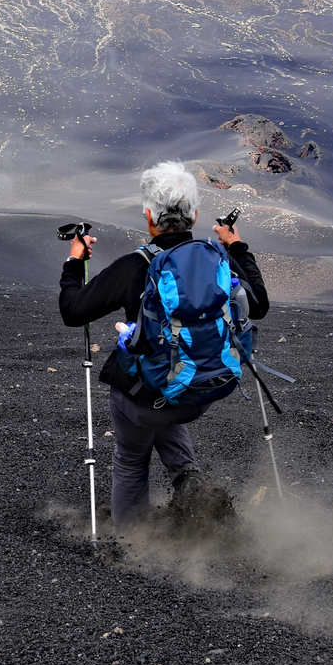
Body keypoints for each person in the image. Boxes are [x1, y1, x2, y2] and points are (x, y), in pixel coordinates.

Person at [57, 160, 269, 525]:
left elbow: (73, 311)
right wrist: (236, 246)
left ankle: (130, 540)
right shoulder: (218, 262)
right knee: (164, 389)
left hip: (149, 398)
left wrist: (74, 261)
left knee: (132, 451)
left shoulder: (134, 266)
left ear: (148, 216)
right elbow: (259, 304)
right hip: (206, 388)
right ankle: (189, 480)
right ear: (195, 215)